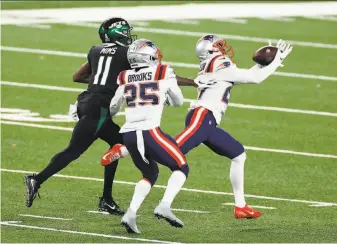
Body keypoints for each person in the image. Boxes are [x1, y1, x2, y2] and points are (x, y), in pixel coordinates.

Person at [101, 35, 293, 219]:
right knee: (172, 151)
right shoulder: (221, 64)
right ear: (211, 50)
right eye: (219, 45)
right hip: (202, 117)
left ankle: (241, 206)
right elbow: (254, 78)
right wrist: (276, 61)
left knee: (238, 155)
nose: (223, 48)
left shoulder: (216, 64)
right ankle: (124, 149)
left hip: (209, 121)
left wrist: (262, 64)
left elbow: (249, 74)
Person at [23, 17, 137, 215]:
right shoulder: (127, 53)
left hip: (86, 102)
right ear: (117, 34)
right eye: (126, 32)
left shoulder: (95, 50)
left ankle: (107, 200)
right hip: (98, 108)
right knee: (73, 151)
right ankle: (37, 179)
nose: (128, 35)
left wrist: (104, 81)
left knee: (119, 143)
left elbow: (77, 76)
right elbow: (147, 75)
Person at [109, 39, 189, 234]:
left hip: (128, 133)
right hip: (149, 131)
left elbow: (113, 107)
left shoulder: (124, 76)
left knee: (150, 174)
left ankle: (130, 213)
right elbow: (178, 101)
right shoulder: (162, 71)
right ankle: (164, 205)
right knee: (181, 167)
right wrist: (164, 97)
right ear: (148, 56)